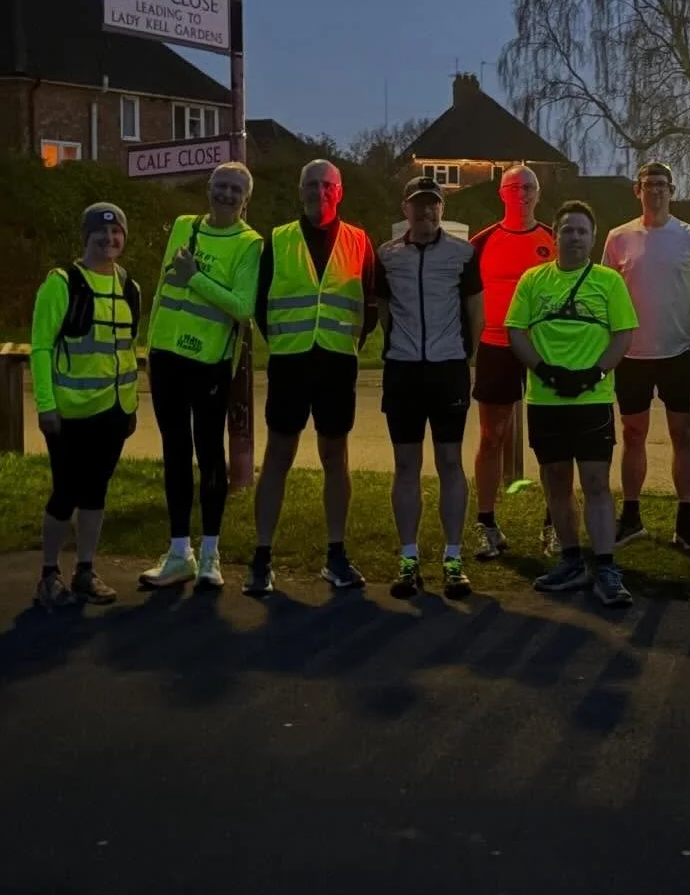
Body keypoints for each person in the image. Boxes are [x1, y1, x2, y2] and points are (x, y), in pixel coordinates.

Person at [245, 159, 378, 595]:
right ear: (299, 190)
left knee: (334, 457)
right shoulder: (277, 240)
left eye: (326, 184)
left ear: (338, 192)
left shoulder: (360, 241)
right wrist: (284, 341)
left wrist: (346, 344)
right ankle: (261, 558)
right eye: (311, 184)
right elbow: (260, 304)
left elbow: (370, 306)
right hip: (290, 364)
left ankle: (336, 556)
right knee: (278, 454)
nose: (318, 191)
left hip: (337, 364)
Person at [506, 200, 638, 607]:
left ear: (593, 237)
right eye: (567, 230)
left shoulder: (609, 282)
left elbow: (622, 336)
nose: (575, 237)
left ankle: (606, 566)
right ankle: (570, 561)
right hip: (546, 399)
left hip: (592, 398)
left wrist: (594, 374)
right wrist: (544, 371)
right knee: (557, 482)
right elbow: (516, 332)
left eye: (582, 231)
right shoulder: (532, 280)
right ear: (555, 236)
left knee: (597, 483)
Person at [138, 162, 263, 592]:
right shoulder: (183, 226)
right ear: (209, 189)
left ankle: (211, 554)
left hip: (209, 361)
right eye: (220, 186)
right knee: (174, 451)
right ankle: (179, 554)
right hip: (167, 356)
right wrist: (151, 345)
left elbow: (243, 307)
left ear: (246, 200)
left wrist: (197, 279)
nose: (226, 195)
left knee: (209, 454)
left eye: (235, 190)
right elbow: (161, 286)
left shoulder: (250, 243)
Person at [29, 203, 140, 609]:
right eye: (101, 232)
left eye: (117, 233)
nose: (110, 239)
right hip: (70, 414)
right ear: (86, 235)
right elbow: (41, 347)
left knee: (96, 493)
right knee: (66, 493)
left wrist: (130, 408)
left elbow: (126, 349)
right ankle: (48, 574)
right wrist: (46, 405)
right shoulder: (63, 283)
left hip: (114, 411)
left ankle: (85, 571)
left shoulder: (129, 286)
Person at [378, 176, 483, 601]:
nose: (426, 212)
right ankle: (408, 560)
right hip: (403, 371)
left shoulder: (463, 253)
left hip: (447, 371)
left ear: (442, 209)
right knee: (406, 466)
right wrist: (397, 344)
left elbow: (476, 311)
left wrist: (464, 356)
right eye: (418, 205)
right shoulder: (387, 256)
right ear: (405, 209)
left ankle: (453, 560)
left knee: (449, 462)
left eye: (433, 204)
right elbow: (384, 310)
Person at [602, 160, 690, 550]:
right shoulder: (618, 238)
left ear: (672, 190)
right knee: (633, 436)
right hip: (631, 357)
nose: (655, 190)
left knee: (682, 435)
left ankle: (685, 522)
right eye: (648, 184)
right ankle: (631, 516)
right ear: (638, 190)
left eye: (662, 184)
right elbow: (605, 296)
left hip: (677, 354)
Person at [469, 164, 559, 558]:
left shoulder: (554, 240)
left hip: (544, 349)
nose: (522, 193)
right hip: (495, 346)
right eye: (514, 187)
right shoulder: (481, 242)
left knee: (553, 441)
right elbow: (466, 298)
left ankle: (555, 523)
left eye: (529, 187)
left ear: (538, 195)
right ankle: (486, 523)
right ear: (501, 193)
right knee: (492, 436)